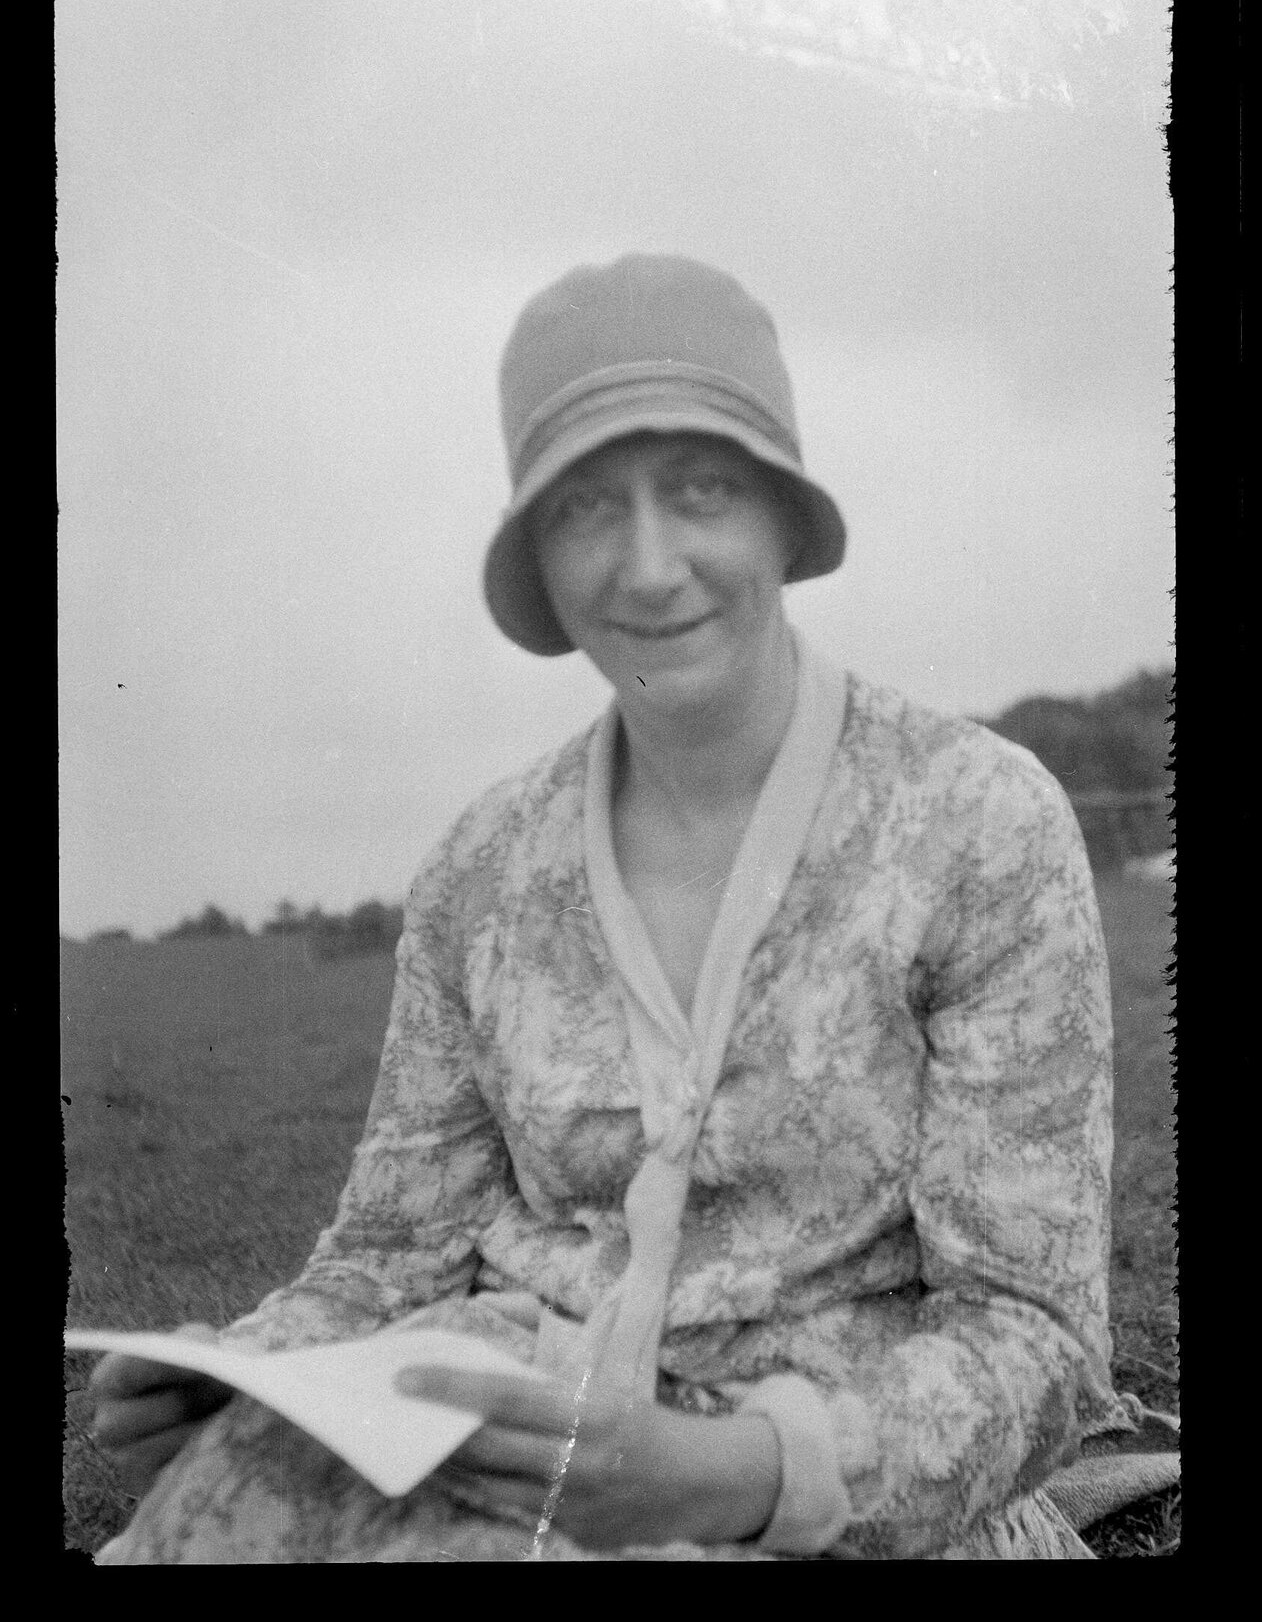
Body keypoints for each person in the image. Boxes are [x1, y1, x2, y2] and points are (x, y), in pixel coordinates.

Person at [87, 253, 1136, 1561]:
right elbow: (386, 1259)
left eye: (698, 490)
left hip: (855, 1503)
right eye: (587, 507)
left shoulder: (977, 820)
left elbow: (1029, 1334)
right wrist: (239, 1365)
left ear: (777, 518)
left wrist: (727, 1472)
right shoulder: (479, 869)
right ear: (541, 556)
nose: (648, 567)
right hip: (514, 1444)